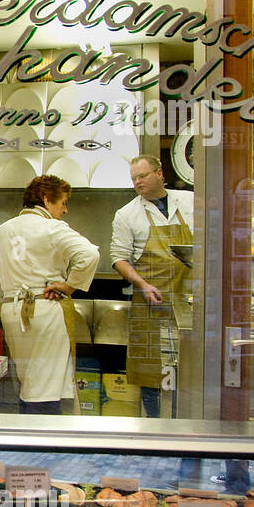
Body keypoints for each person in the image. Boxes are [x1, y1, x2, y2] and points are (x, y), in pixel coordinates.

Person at [0, 176, 100, 415]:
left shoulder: (3, 230)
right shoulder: (52, 228)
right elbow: (89, 255)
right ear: (47, 200)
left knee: (29, 380)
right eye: (62, 203)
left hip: (12, 311)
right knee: (44, 385)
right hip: (43, 309)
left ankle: (32, 437)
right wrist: (69, 286)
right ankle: (42, 445)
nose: (65, 210)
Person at [109, 155, 194, 419]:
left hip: (189, 300)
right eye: (133, 178)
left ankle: (188, 424)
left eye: (142, 176)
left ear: (159, 173)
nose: (137, 182)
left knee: (191, 366)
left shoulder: (191, 201)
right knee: (150, 369)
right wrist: (142, 285)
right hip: (150, 303)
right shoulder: (127, 214)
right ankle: (157, 425)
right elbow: (118, 258)